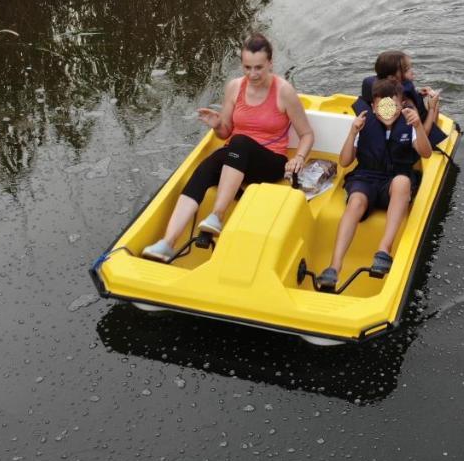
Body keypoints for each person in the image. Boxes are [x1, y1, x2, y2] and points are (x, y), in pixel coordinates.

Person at [142, 34, 315, 262]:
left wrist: (299, 157)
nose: (252, 74)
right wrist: (216, 126)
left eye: (259, 68)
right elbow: (225, 131)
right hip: (236, 153)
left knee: (239, 142)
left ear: (270, 64)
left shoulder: (284, 92)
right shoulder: (234, 87)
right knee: (204, 170)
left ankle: (217, 215)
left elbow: (307, 134)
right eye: (247, 67)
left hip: (270, 161)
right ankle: (167, 243)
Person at [319, 78, 432, 291]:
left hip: (394, 181)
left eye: (393, 106)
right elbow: (344, 161)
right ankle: (334, 267)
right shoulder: (363, 123)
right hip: (366, 178)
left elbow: (425, 152)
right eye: (382, 106)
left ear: (401, 105)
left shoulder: (410, 123)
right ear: (373, 106)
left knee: (402, 182)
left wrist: (418, 125)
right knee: (356, 201)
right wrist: (353, 132)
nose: (388, 111)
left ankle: (383, 250)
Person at [356, 50, 447, 146]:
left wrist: (417, 93)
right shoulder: (406, 102)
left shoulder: (377, 91)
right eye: (407, 69)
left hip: (382, 135)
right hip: (411, 143)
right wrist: (432, 107)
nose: (412, 71)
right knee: (435, 105)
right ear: (392, 77)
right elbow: (424, 133)